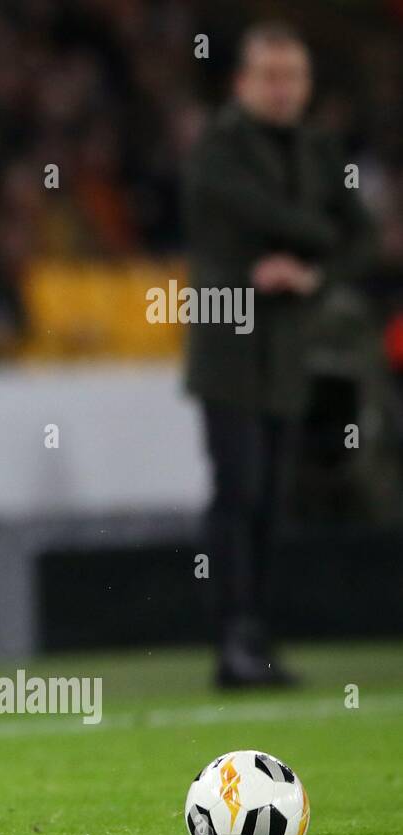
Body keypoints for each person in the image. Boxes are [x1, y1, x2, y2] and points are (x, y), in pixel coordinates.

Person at [182, 22, 375, 688]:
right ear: (241, 82)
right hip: (228, 347)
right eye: (269, 75)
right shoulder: (217, 146)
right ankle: (231, 637)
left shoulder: (319, 150)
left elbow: (365, 239)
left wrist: (313, 274)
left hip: (289, 347)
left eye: (292, 76)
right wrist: (318, 239)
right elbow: (249, 212)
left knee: (271, 500)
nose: (282, 88)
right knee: (237, 493)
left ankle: (258, 635)